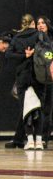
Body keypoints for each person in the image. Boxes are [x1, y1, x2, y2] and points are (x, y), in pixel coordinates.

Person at [5, 14, 46, 150]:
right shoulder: (39, 35)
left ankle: (29, 141)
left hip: (23, 77)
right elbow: (48, 52)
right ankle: (39, 140)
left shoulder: (17, 38)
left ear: (22, 24)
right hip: (38, 76)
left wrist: (24, 55)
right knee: (38, 109)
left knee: (26, 109)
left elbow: (8, 55)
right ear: (33, 23)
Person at [36, 16, 53, 147]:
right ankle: (36, 137)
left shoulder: (51, 40)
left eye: (43, 23)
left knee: (47, 109)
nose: (40, 25)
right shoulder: (34, 39)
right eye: (38, 23)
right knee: (37, 109)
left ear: (47, 25)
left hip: (50, 79)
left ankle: (44, 138)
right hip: (38, 78)